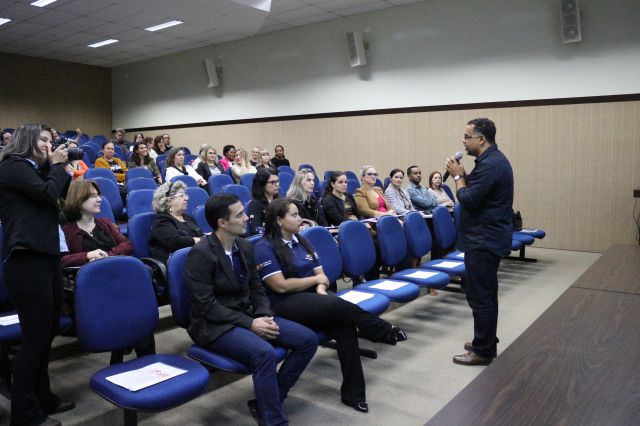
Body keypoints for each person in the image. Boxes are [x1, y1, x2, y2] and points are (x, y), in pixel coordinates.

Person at [254, 199, 408, 414]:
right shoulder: (264, 247)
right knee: (337, 307)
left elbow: (322, 275)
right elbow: (280, 286)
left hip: (314, 299)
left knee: (345, 327)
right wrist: (315, 282)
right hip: (283, 303)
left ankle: (353, 394)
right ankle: (381, 329)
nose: (300, 219)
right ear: (279, 220)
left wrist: (320, 287)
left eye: (299, 214)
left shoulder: (302, 241)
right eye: (294, 215)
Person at [184, 194, 318, 426]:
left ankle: (270, 400)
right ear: (222, 223)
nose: (247, 218)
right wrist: (251, 323)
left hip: (246, 315)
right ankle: (273, 420)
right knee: (264, 353)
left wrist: (264, 313)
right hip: (214, 325)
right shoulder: (201, 254)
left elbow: (257, 288)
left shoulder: (244, 246)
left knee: (307, 340)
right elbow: (206, 306)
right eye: (239, 215)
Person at [0, 124, 75, 426]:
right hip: (26, 260)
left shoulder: (38, 172)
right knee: (35, 338)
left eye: (50, 141)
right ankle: (25, 413)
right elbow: (47, 194)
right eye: (43, 140)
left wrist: (59, 169)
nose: (49, 145)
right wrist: (55, 167)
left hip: (47, 257)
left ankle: (43, 396)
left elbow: (59, 199)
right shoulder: (12, 166)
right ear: (27, 141)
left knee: (47, 333)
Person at [61, 179, 155, 365]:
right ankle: (125, 351)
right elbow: (61, 260)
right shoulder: (67, 231)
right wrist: (87, 255)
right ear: (78, 200)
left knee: (138, 316)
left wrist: (108, 257)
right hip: (92, 288)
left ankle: (147, 361)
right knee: (132, 310)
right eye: (92, 196)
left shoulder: (105, 223)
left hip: (117, 280)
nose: (99, 199)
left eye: (99, 195)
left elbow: (126, 244)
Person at [445, 118, 513, 366]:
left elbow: (468, 199)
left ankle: (483, 350)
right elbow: (479, 191)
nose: (463, 141)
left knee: (480, 296)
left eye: (467, 137)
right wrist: (464, 175)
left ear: (481, 139)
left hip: (483, 240)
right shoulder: (491, 161)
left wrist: (457, 177)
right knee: (486, 293)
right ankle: (485, 340)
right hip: (486, 237)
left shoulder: (491, 165)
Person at [149, 181, 203, 265]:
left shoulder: (187, 217)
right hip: (178, 264)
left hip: (196, 258)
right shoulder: (161, 220)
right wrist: (197, 240)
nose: (186, 198)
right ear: (168, 200)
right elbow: (174, 242)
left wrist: (206, 237)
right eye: (181, 195)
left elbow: (199, 234)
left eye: (186, 195)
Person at [248, 168, 279, 236]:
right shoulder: (255, 204)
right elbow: (256, 230)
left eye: (277, 181)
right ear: (262, 184)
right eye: (272, 182)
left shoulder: (279, 201)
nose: (277, 184)